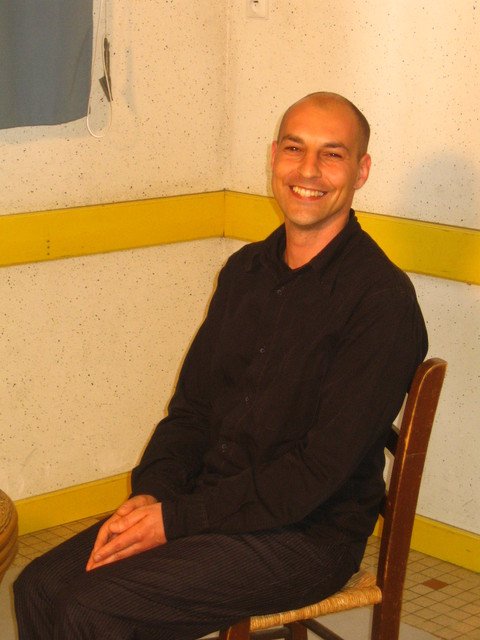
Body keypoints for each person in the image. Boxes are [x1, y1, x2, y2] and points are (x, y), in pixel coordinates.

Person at [14, 92, 428, 640]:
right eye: (294, 148)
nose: (307, 170)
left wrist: (175, 521)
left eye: (332, 154)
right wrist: (153, 494)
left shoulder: (380, 303)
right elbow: (191, 411)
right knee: (38, 586)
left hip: (307, 534)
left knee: (91, 609)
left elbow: (316, 473)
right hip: (213, 501)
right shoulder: (244, 272)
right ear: (273, 157)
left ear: (362, 170)